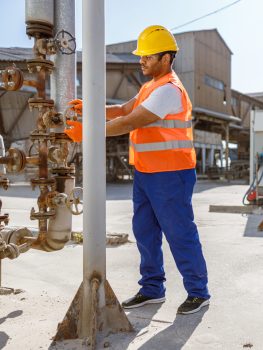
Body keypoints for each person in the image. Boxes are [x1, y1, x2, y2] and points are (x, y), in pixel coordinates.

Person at [65, 25, 210, 315]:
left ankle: (198, 292)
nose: (141, 60)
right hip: (146, 173)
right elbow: (123, 109)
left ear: (166, 58)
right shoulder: (149, 87)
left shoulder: (169, 90)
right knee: (144, 231)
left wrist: (90, 131)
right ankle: (152, 289)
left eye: (147, 56)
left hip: (172, 173)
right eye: (141, 56)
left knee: (179, 232)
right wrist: (91, 108)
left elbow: (132, 121)